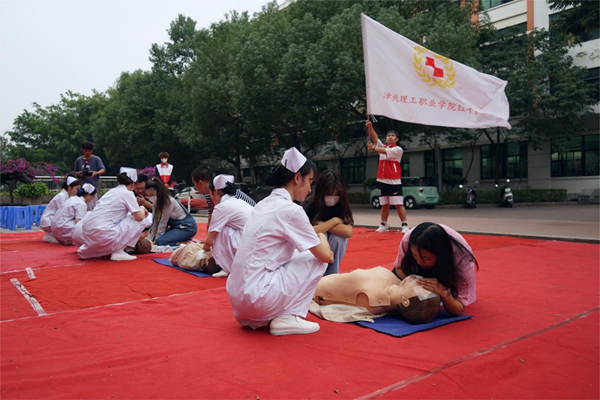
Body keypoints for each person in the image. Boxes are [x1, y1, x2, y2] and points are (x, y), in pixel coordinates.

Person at [226, 147, 334, 336]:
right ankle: (289, 317)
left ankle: (276, 313)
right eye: (310, 181)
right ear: (297, 178)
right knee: (315, 258)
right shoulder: (291, 210)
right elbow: (326, 256)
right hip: (258, 299)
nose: (310, 189)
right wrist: (322, 236)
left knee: (298, 251)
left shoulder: (263, 204)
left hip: (239, 303)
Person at [393, 222, 478, 316]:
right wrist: (415, 282)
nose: (419, 262)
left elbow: (459, 309)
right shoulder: (408, 239)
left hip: (447, 269)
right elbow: (399, 269)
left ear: (440, 254)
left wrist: (444, 293)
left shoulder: (462, 258)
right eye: (414, 256)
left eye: (425, 258)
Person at [312, 267, 440, 324]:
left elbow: (327, 300)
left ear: (405, 301)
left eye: (421, 290)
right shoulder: (396, 282)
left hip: (312, 284)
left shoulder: (372, 301)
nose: (421, 284)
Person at [77, 167, 151, 261]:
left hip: (87, 230)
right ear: (133, 183)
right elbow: (140, 217)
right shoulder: (127, 193)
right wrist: (142, 208)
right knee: (142, 220)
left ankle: (105, 250)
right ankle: (119, 251)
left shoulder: (111, 191)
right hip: (102, 231)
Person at [302, 169, 353, 276]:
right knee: (321, 235)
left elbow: (348, 232)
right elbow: (308, 231)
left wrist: (323, 225)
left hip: (331, 253)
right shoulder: (308, 206)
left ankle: (332, 274)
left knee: (338, 238)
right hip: (312, 253)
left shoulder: (341, 205)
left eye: (337, 194)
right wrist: (334, 221)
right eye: (329, 194)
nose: (333, 198)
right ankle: (316, 273)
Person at [203, 174, 254, 278]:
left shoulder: (222, 207)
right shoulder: (239, 201)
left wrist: (205, 253)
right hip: (254, 247)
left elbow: (209, 241)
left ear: (216, 191)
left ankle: (228, 266)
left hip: (246, 248)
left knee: (221, 229)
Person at [365, 120, 409, 233]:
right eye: (388, 135)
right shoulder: (382, 147)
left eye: (392, 136)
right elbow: (375, 139)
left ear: (397, 139)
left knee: (398, 204)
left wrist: (373, 148)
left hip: (394, 181)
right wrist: (370, 127)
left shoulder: (398, 150)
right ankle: (383, 224)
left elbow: (381, 150)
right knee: (384, 204)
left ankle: (404, 225)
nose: (390, 137)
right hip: (382, 180)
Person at [191, 167, 256, 233]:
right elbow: (211, 215)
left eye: (194, 184)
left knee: (221, 229)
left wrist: (209, 238)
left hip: (251, 224)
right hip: (249, 223)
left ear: (200, 183)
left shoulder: (222, 192)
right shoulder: (212, 193)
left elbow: (214, 220)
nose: (195, 187)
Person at [145, 177, 198, 246]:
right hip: (175, 227)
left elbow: (162, 222)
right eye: (148, 196)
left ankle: (183, 243)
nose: (150, 197)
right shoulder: (156, 202)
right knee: (157, 240)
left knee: (160, 242)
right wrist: (150, 238)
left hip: (187, 227)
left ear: (158, 191)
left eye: (151, 194)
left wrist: (155, 241)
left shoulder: (168, 201)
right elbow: (155, 221)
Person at [40, 176, 81, 243]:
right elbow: (63, 213)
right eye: (77, 189)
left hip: (53, 219)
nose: (78, 191)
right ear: (69, 188)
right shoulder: (61, 196)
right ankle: (51, 235)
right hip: (48, 220)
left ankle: (57, 235)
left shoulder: (67, 196)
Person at [74, 141, 105, 211]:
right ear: (83, 150)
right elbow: (75, 171)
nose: (87, 153)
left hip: (93, 188)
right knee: (81, 207)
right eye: (85, 151)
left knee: (93, 208)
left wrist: (96, 173)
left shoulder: (96, 159)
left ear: (92, 150)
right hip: (82, 188)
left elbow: (103, 170)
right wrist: (78, 173)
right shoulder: (78, 160)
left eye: (89, 151)